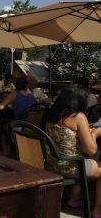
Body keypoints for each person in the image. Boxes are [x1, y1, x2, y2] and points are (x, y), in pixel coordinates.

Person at [45, 86, 101, 217]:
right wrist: (95, 134)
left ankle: (74, 199)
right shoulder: (79, 117)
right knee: (97, 162)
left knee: (81, 157)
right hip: (72, 167)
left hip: (52, 164)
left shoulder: (50, 116)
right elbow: (92, 150)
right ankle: (98, 210)